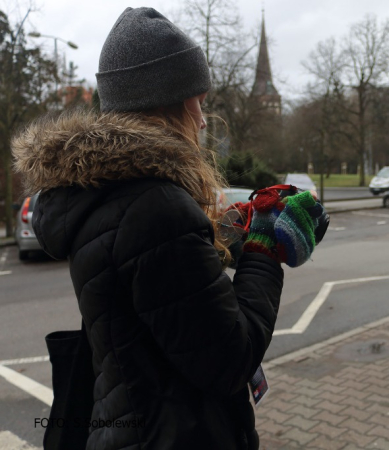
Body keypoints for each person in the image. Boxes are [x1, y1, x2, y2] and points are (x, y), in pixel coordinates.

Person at [12, 7, 323, 449]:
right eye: (196, 102)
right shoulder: (155, 209)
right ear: (168, 105)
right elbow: (230, 359)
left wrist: (226, 231)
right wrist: (263, 249)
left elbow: (164, 294)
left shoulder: (108, 194)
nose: (201, 119)